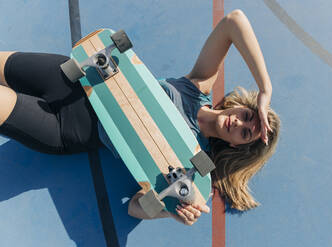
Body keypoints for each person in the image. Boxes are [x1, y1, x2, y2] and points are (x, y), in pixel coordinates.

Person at [0, 9, 280, 226]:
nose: (240, 123)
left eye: (246, 133)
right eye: (247, 116)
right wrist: (265, 91)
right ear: (241, 106)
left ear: (236, 146)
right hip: (69, 77)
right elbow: (234, 20)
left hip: (66, 127)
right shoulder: (198, 86)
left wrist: (169, 211)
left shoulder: (195, 166)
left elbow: (135, 207)